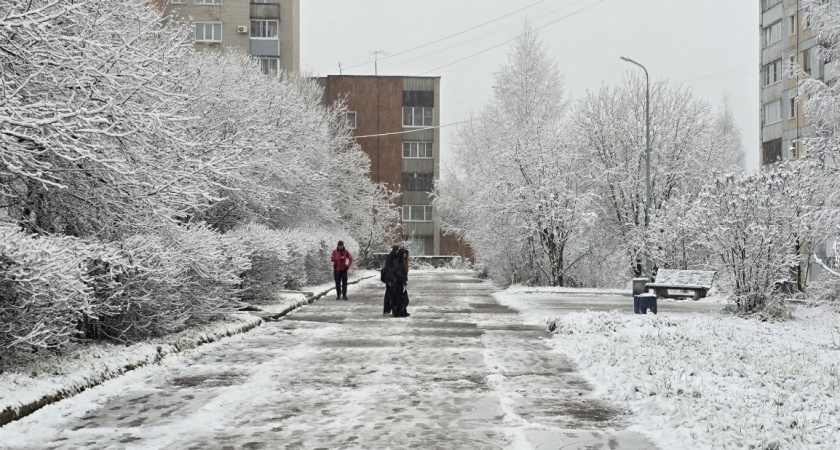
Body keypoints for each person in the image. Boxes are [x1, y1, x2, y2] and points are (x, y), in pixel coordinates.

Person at [382, 245, 410, 317]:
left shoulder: (401, 261)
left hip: (397, 281)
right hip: (395, 281)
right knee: (396, 297)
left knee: (399, 297)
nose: (405, 255)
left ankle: (399, 311)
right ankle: (396, 311)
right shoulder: (395, 260)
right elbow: (393, 271)